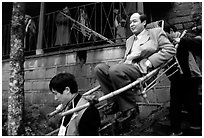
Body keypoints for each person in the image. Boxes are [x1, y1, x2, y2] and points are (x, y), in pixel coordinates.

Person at [94, 12, 176, 120]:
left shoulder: (155, 33)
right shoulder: (129, 40)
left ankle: (130, 108)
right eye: (130, 22)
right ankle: (114, 103)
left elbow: (170, 50)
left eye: (134, 21)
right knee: (99, 69)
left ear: (144, 22)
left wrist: (149, 62)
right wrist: (123, 63)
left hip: (142, 69)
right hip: (127, 67)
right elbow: (126, 58)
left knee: (115, 70)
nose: (131, 24)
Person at [168, 12, 202, 136]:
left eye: (166, 35)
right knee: (175, 103)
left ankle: (197, 125)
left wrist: (182, 40)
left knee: (191, 102)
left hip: (191, 75)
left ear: (172, 31)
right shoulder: (167, 44)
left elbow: (200, 43)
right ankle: (176, 130)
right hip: (177, 77)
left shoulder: (186, 36)